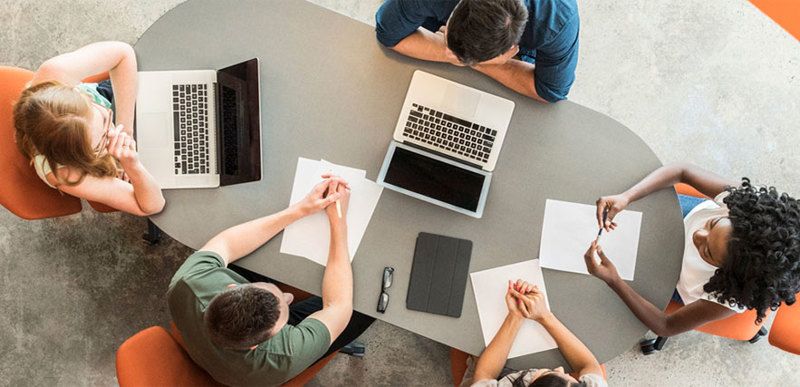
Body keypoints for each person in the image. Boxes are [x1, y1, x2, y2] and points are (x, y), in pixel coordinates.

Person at [167, 175, 375, 386]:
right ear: (255, 346)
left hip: (205, 343)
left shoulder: (188, 281)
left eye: (277, 293)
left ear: (230, 288)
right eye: (285, 306)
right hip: (244, 375)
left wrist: (301, 208)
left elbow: (227, 243)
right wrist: (338, 223)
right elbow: (338, 306)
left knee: (247, 254)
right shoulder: (286, 355)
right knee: (366, 305)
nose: (289, 296)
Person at [584, 163, 800, 339]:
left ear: (726, 275)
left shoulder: (726, 299)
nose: (698, 235)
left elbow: (665, 326)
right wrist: (627, 196)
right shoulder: (744, 209)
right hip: (680, 216)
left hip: (673, 276)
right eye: (713, 224)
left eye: (707, 252)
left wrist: (614, 280)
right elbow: (682, 171)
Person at [13, 41, 165, 215]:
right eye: (101, 141)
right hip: (115, 161)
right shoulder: (66, 174)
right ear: (78, 158)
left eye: (105, 119)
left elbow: (123, 53)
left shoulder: (53, 73)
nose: (113, 132)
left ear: (78, 92)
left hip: (112, 101)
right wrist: (132, 165)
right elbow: (152, 206)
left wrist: (126, 130)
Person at [375, 0, 580, 103]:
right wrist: (478, 61)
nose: (450, 56)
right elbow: (388, 34)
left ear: (510, 49)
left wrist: (467, 60)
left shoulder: (558, 20)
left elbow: (551, 91)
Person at [462, 279, 606, 387]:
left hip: (495, 379)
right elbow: (589, 366)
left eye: (552, 373)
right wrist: (545, 316)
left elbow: (485, 374)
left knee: (476, 345)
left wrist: (515, 316)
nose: (560, 369)